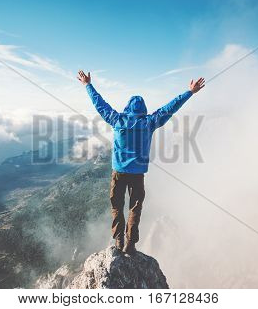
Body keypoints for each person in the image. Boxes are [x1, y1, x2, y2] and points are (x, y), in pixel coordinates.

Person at [77, 70, 205, 254]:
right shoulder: (149, 122)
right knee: (135, 208)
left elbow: (100, 104)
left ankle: (119, 239)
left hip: (119, 172)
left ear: (127, 107)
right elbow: (170, 108)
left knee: (116, 206)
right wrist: (190, 92)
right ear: (143, 109)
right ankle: (131, 243)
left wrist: (87, 85)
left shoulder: (117, 119)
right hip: (138, 174)